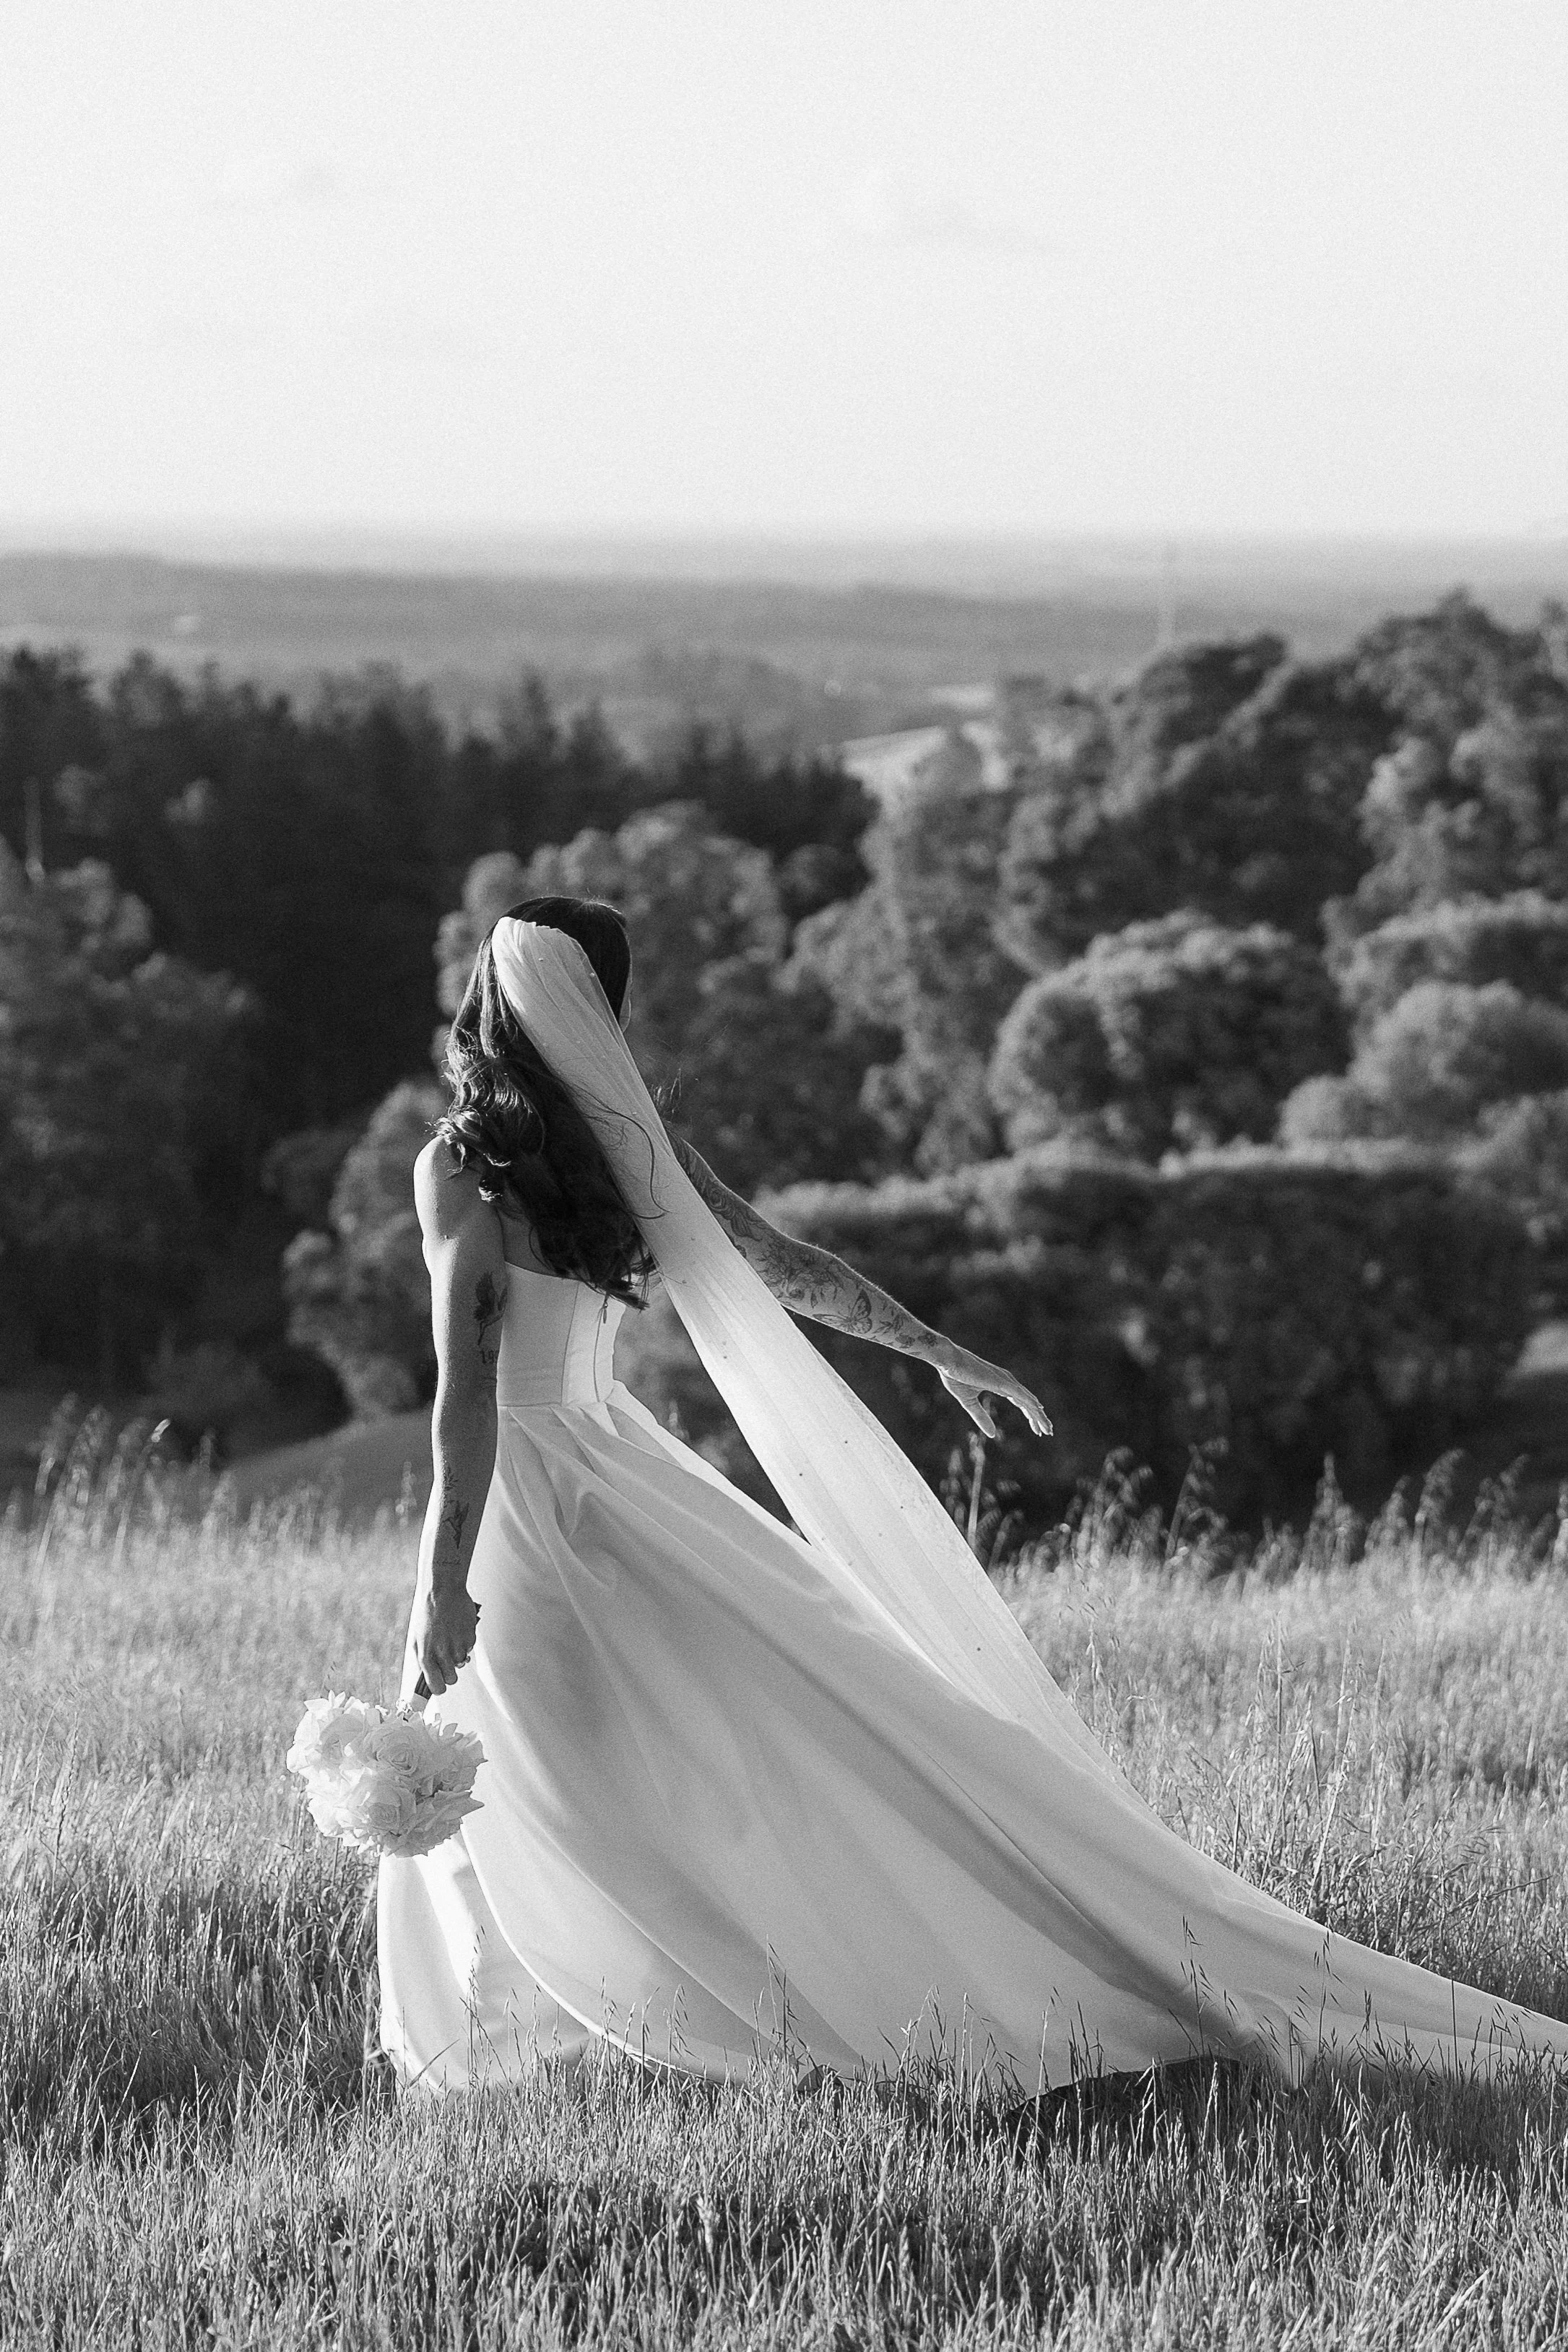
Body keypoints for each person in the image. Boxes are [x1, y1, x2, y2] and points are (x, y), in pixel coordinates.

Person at [378, 896, 1568, 2094]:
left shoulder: (461, 1168)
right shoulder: (630, 1153)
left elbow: (468, 1388)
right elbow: (786, 1270)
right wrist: (936, 1349)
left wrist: (440, 1575)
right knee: (637, 1749)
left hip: (531, 1491)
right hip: (621, 1476)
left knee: (544, 1756)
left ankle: (590, 2027)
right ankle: (594, 2022)